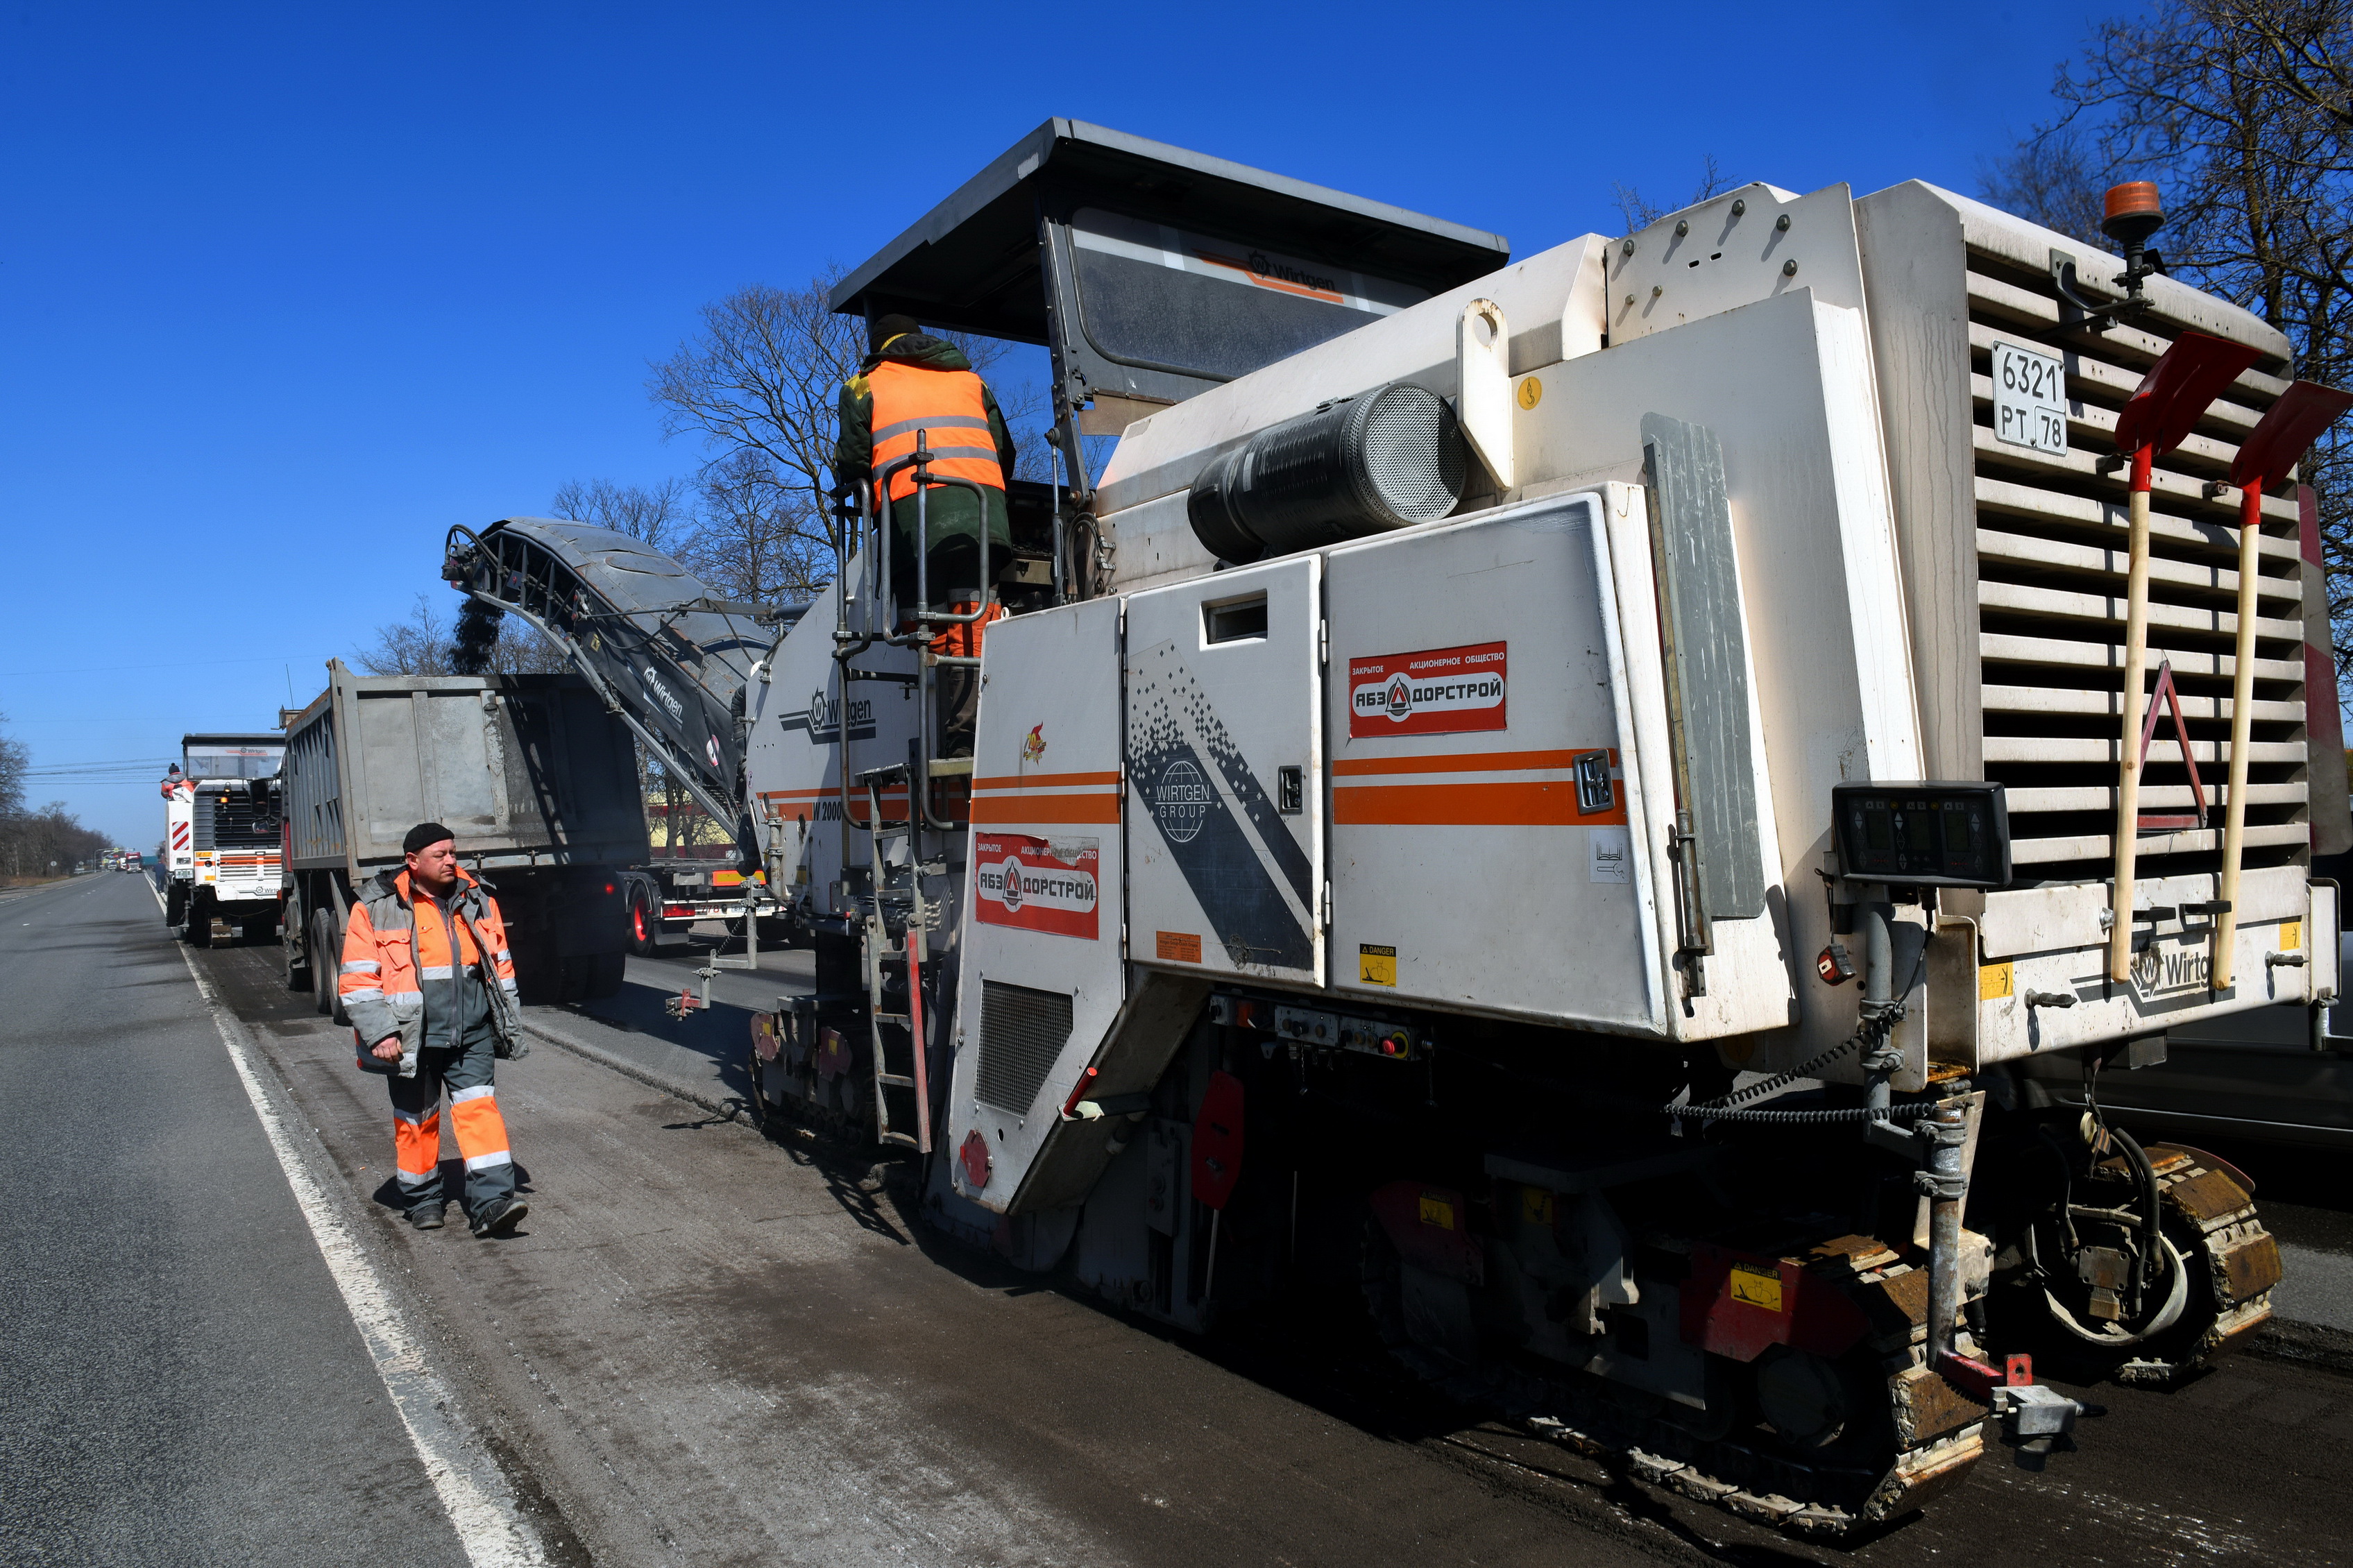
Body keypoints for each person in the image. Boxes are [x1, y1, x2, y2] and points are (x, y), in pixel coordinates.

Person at [834, 312, 1015, 757]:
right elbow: (1004, 450)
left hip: (913, 525)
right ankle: (966, 738)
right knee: (972, 627)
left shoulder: (864, 386)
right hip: (981, 518)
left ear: (879, 346)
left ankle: (946, 741)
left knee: (926, 630)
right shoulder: (971, 381)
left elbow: (853, 462)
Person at [339, 823, 530, 1236]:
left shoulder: (479, 899)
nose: (451, 860)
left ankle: (493, 1202)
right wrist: (381, 1033)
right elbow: (358, 980)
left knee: (480, 1112)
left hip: (471, 1033)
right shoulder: (375, 907)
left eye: (453, 852)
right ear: (412, 861)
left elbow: (502, 966)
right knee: (417, 1120)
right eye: (440, 854)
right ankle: (423, 1200)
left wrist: (507, 1021)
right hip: (412, 1038)